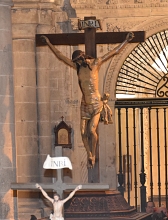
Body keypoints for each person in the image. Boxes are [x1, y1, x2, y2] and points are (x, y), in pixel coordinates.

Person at [41, 33, 134, 168]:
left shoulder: (96, 63)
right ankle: (90, 154)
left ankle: (93, 154)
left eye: (78, 61)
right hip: (85, 103)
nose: (77, 64)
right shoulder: (78, 67)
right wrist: (49, 43)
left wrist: (126, 40)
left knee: (91, 131)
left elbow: (114, 52)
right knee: (83, 132)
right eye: (76, 62)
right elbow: (60, 56)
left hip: (96, 103)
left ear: (83, 57)